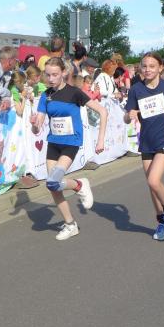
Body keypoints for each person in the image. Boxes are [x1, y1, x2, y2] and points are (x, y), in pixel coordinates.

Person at [32, 57, 107, 240]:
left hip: (71, 143)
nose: (50, 79)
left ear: (64, 73)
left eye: (55, 74)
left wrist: (100, 140)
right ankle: (70, 224)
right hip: (53, 143)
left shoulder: (74, 93)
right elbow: (37, 127)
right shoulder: (46, 96)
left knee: (53, 181)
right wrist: (34, 124)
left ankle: (79, 185)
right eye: (48, 75)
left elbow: (103, 111)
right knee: (53, 187)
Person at [124, 52, 164, 241]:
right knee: (153, 186)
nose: (147, 69)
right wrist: (129, 115)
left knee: (153, 180)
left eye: (152, 66)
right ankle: (161, 222)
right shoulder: (136, 89)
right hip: (147, 141)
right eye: (144, 66)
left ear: (160, 68)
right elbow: (127, 116)